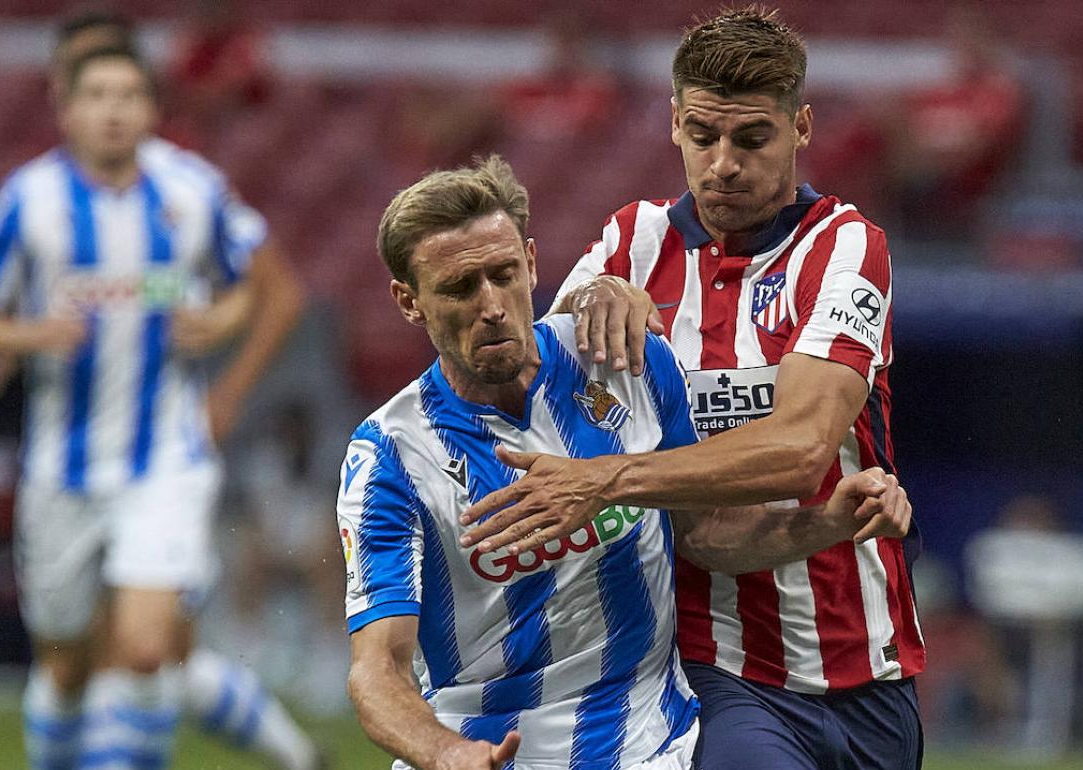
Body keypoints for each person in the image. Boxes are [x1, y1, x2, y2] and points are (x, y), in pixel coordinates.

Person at [461, 9, 924, 769]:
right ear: (674, 123)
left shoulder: (844, 246)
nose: (722, 164)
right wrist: (585, 304)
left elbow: (803, 452)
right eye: (702, 136)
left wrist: (606, 480)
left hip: (868, 662)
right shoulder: (630, 244)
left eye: (751, 139)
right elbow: (530, 401)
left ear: (800, 126)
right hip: (716, 671)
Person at [339, 155, 908, 770]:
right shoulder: (388, 454)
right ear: (408, 301)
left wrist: (828, 522)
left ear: (532, 263)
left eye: (504, 274)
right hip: (476, 749)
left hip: (650, 746)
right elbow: (378, 669)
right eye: (459, 288)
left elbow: (709, 533)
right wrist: (445, 753)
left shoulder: (627, 365)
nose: (493, 305)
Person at [0, 45, 308, 770]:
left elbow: (254, 287)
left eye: (128, 95)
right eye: (97, 95)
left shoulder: (190, 191)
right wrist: (27, 335)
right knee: (68, 667)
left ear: (151, 111)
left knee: (146, 648)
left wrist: (224, 325)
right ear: (68, 110)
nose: (113, 111)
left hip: (164, 458)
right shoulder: (31, 200)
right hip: (60, 467)